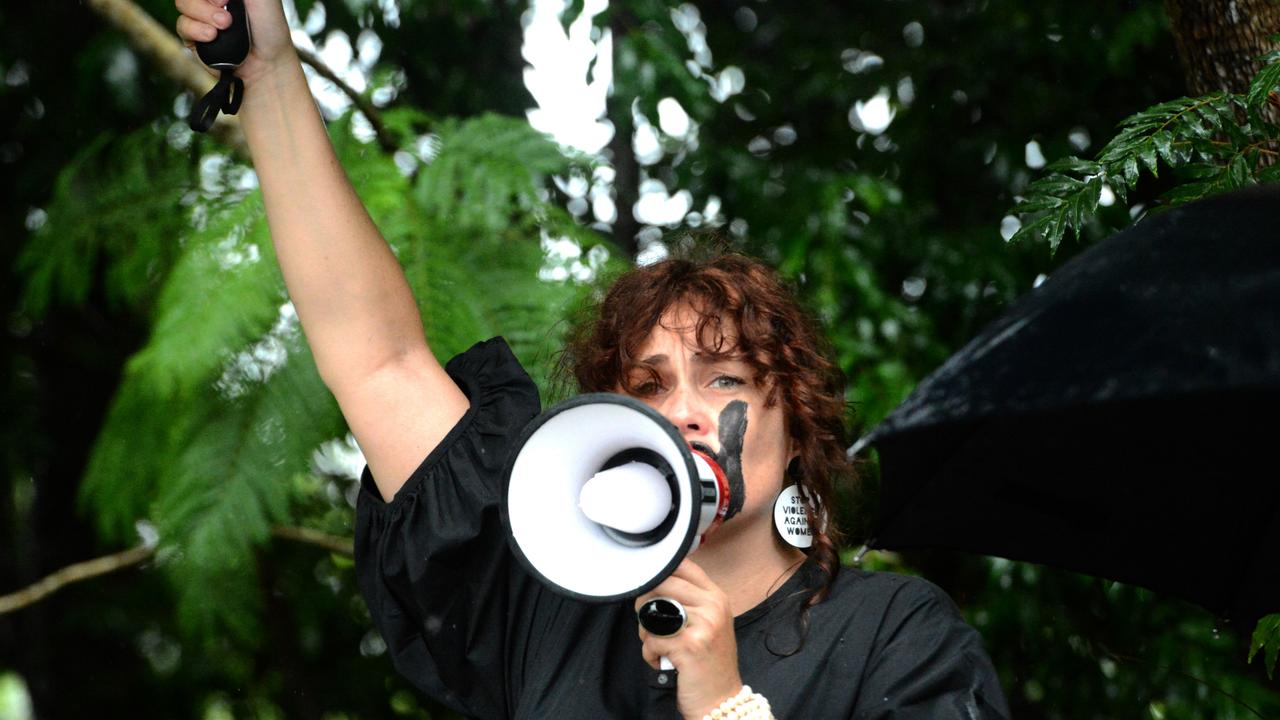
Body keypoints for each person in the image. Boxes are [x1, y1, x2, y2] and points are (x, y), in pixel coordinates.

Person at [175, 1, 1011, 717]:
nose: (684, 409)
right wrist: (271, 71)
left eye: (725, 379)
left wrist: (723, 699)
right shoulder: (542, 601)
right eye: (648, 386)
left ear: (795, 427)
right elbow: (377, 360)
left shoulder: (892, 634)